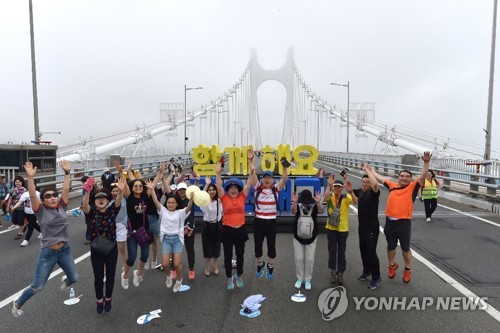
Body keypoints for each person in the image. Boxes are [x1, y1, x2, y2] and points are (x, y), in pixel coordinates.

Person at [12, 160, 78, 318]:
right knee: (38, 286)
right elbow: (33, 194)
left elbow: (66, 189)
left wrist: (67, 173)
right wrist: (30, 178)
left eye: (54, 195)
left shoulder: (62, 206)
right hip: (48, 252)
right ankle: (17, 303)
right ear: (43, 200)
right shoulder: (40, 211)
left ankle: (66, 280)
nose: (53, 198)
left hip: (65, 250)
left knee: (74, 278)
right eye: (48, 196)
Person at [365, 151, 432, 283]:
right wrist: (370, 170)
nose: (404, 178)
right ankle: (392, 266)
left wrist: (426, 162)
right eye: (402, 176)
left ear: (410, 179)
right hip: (390, 223)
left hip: (404, 224)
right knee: (390, 247)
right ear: (398, 177)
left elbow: (423, 175)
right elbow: (380, 178)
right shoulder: (392, 186)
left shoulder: (412, 187)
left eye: (407, 176)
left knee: (405, 249)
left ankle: (407, 269)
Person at [82, 178, 124, 314]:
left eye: (104, 198)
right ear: (94, 201)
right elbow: (85, 206)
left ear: (108, 200)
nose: (101, 200)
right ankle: (99, 300)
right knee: (98, 276)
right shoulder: (91, 213)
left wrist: (121, 191)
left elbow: (118, 202)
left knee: (111, 275)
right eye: (98, 198)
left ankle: (109, 298)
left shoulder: (112, 210)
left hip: (111, 247)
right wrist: (87, 192)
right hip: (96, 249)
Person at [216, 153, 254, 290]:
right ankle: (228, 277)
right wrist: (218, 173)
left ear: (238, 189)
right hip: (227, 230)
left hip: (240, 230)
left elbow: (250, 181)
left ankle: (239, 274)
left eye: (235, 188)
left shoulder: (242, 196)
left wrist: (250, 162)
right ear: (228, 190)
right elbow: (218, 186)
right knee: (227, 255)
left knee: (240, 254)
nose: (233, 189)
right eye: (231, 188)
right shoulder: (224, 197)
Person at [147, 181, 193, 292]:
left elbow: (188, 208)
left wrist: (191, 199)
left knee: (177, 264)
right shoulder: (163, 211)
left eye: (173, 203)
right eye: (168, 202)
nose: (170, 204)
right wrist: (152, 189)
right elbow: (155, 201)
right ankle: (168, 275)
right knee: (165, 263)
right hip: (166, 239)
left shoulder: (181, 212)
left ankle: (179, 279)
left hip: (177, 239)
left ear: (177, 204)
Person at [250, 151, 289, 280]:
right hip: (259, 222)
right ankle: (260, 264)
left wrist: (284, 167)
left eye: (269, 178)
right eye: (265, 177)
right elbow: (253, 174)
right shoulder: (257, 187)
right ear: (262, 180)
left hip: (271, 222)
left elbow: (284, 179)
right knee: (257, 246)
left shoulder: (276, 189)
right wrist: (250, 161)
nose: (266, 179)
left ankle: (271, 266)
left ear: (273, 180)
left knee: (271, 246)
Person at [351, 164, 382, 290]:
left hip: (372, 228)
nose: (364, 184)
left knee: (371, 251)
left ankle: (377, 277)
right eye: (363, 182)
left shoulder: (374, 193)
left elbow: (375, 184)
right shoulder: (361, 192)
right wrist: (344, 180)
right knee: (363, 250)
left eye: (366, 182)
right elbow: (352, 197)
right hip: (362, 227)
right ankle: (366, 271)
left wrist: (368, 171)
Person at [324, 174, 357, 285]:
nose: (337, 188)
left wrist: (351, 192)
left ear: (342, 188)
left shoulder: (345, 198)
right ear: (333, 188)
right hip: (331, 228)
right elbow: (324, 198)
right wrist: (328, 186)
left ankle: (340, 273)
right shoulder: (330, 197)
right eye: (335, 187)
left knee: (341, 252)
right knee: (332, 251)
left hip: (343, 229)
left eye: (339, 187)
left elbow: (355, 202)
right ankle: (333, 272)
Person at [120, 178, 152, 289]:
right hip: (132, 233)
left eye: (140, 186)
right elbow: (125, 187)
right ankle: (125, 275)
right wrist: (120, 171)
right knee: (132, 257)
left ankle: (138, 273)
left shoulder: (145, 198)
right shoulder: (130, 198)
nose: (138, 187)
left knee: (145, 255)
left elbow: (151, 187)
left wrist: (161, 172)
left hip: (144, 232)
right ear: (132, 188)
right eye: (135, 186)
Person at [290, 189, 324, 290]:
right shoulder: (298, 204)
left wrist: (318, 202)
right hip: (297, 235)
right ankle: (300, 279)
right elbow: (293, 211)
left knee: (310, 259)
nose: (305, 203)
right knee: (299, 258)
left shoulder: (314, 205)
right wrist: (295, 202)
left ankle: (308, 279)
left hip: (312, 235)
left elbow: (321, 211)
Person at [200, 177, 223, 276]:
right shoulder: (204, 202)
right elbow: (201, 196)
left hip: (217, 226)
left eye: (213, 190)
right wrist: (207, 184)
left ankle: (216, 266)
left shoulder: (219, 201)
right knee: (207, 248)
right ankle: (207, 267)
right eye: (210, 190)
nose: (211, 191)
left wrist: (218, 185)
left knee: (216, 247)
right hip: (206, 226)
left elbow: (222, 193)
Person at [11, 182, 40, 247]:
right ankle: (42, 232)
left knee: (30, 226)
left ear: (35, 186)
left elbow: (40, 203)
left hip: (34, 213)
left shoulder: (37, 194)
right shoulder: (25, 194)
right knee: (33, 224)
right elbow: (20, 202)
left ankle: (26, 240)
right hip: (26, 212)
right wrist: (14, 207)